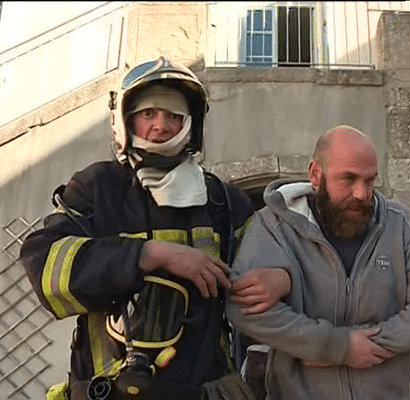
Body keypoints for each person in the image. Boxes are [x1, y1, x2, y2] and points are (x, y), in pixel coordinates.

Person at [19, 56, 290, 400]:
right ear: (125, 121)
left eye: (173, 116)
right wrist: (150, 254)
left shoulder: (224, 201)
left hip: (205, 392)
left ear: (191, 125)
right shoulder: (98, 187)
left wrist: (281, 279)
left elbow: (279, 264)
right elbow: (43, 265)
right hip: (111, 391)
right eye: (148, 114)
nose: (160, 125)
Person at [226, 125, 410, 400]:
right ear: (315, 174)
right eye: (349, 179)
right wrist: (335, 346)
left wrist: (361, 347)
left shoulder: (400, 226)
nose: (362, 193)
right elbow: (244, 310)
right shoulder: (273, 227)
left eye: (370, 181)